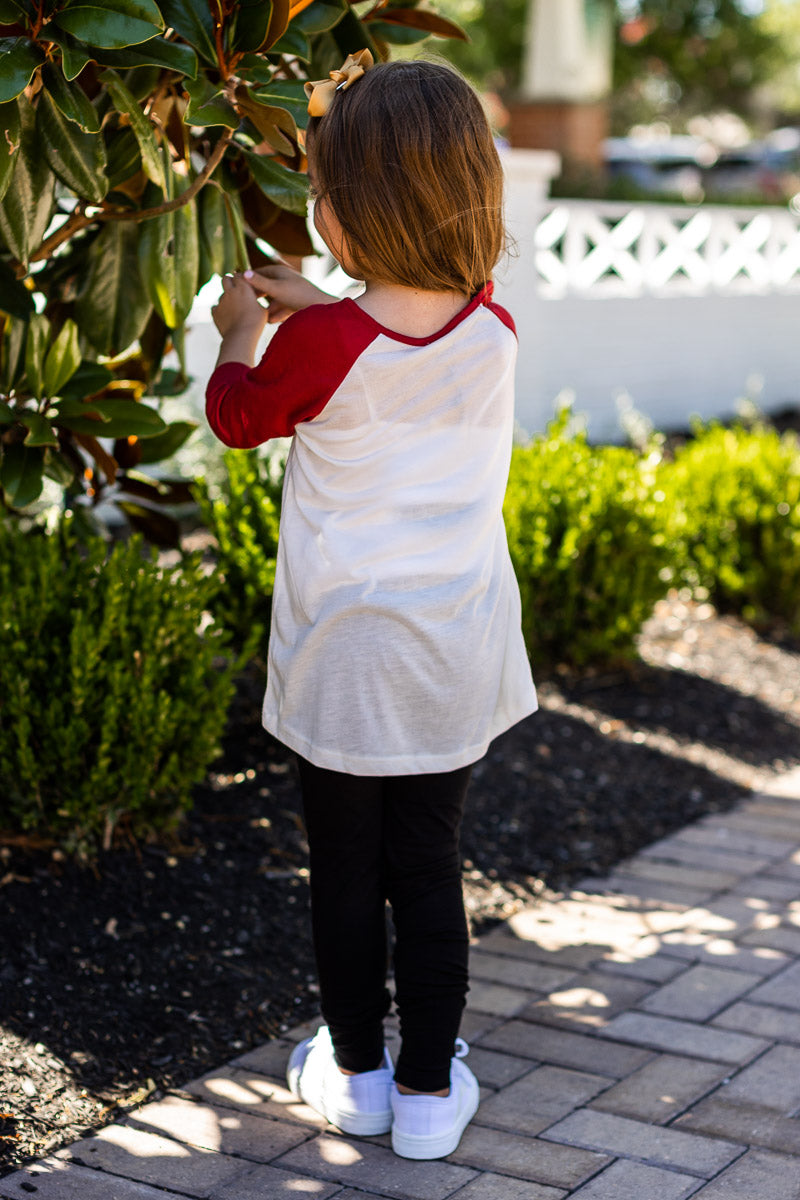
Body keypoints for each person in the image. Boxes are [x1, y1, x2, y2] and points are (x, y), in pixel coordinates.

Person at [205, 51, 537, 1161]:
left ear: (349, 213)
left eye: (323, 190)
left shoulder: (315, 345)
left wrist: (241, 333)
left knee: (343, 869)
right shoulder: (491, 331)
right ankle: (431, 1095)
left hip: (344, 654)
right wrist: (326, 303)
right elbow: (400, 329)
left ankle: (352, 1078)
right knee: (428, 865)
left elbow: (244, 415)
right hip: (451, 648)